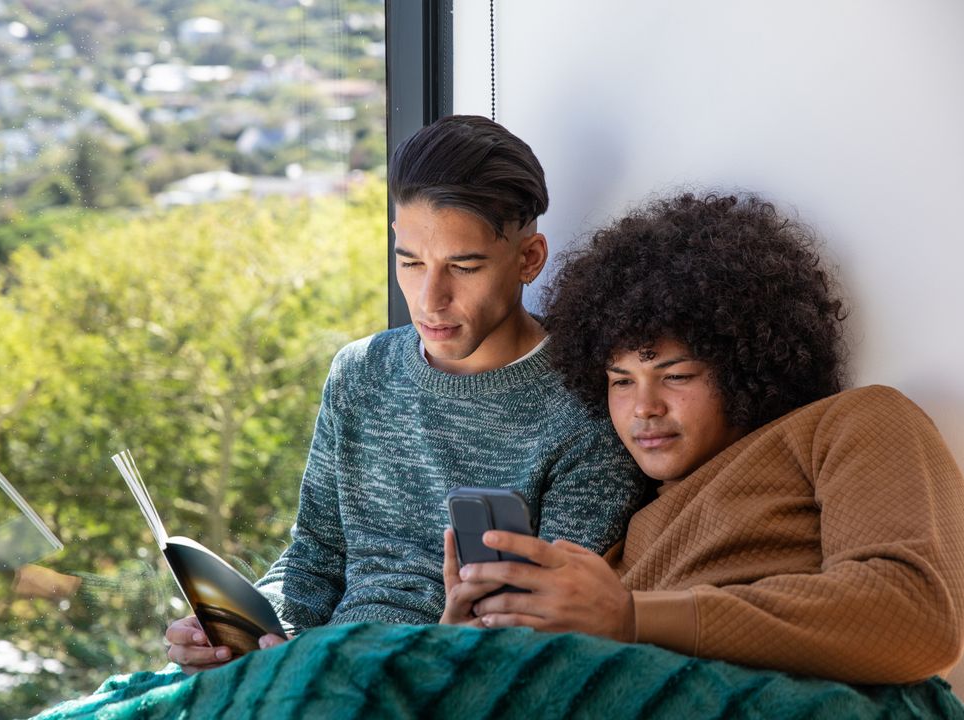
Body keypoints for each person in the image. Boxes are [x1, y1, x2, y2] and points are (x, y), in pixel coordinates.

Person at [165, 115, 644, 672]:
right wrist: (237, 630)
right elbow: (314, 562)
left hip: (444, 681)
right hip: (318, 669)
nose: (429, 300)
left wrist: (435, 648)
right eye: (410, 262)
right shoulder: (360, 372)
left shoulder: (588, 404)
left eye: (463, 267)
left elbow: (549, 629)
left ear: (529, 259)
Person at [442, 192, 964, 684]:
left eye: (676, 376)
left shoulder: (854, 421)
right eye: (621, 381)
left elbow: (916, 616)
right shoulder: (630, 530)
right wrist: (475, 644)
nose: (643, 408)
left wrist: (628, 616)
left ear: (746, 365)